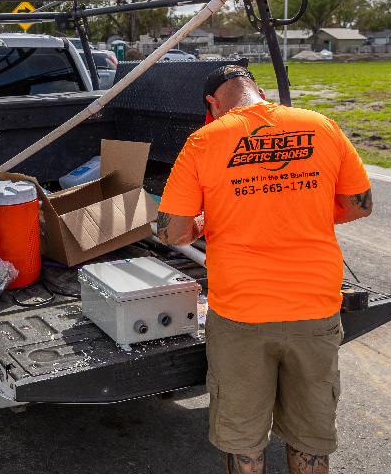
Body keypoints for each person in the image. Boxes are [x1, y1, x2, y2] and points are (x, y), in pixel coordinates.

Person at [156, 65, 372, 474]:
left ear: (212, 104)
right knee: (309, 437)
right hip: (315, 310)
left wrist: (208, 220)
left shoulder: (203, 141)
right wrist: (304, 211)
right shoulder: (321, 126)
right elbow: (359, 205)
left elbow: (171, 232)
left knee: (243, 438)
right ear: (260, 92)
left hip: (241, 316)